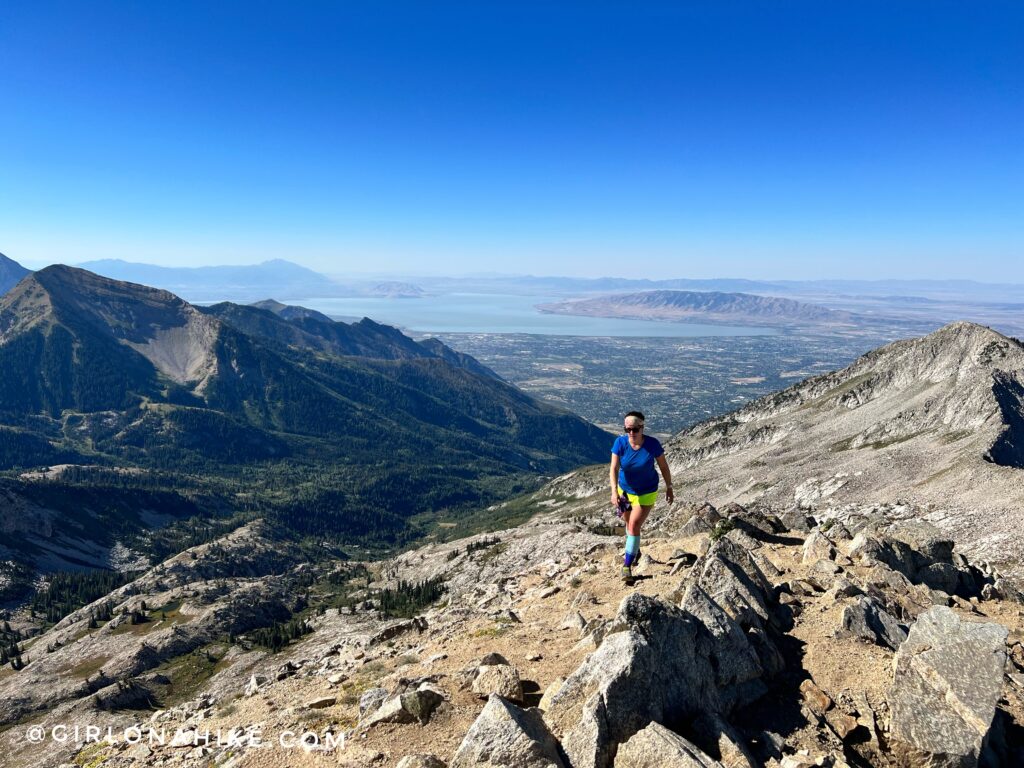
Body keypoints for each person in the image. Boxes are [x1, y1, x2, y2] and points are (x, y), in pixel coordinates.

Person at [609, 411, 673, 583]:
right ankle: (635, 549)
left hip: (647, 492)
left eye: (635, 429)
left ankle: (627, 566)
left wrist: (669, 487)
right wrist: (614, 491)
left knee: (634, 525)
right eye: (627, 429)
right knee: (627, 523)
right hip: (624, 492)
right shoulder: (620, 443)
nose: (631, 432)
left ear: (642, 428)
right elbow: (614, 468)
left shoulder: (652, 444)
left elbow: (664, 467)